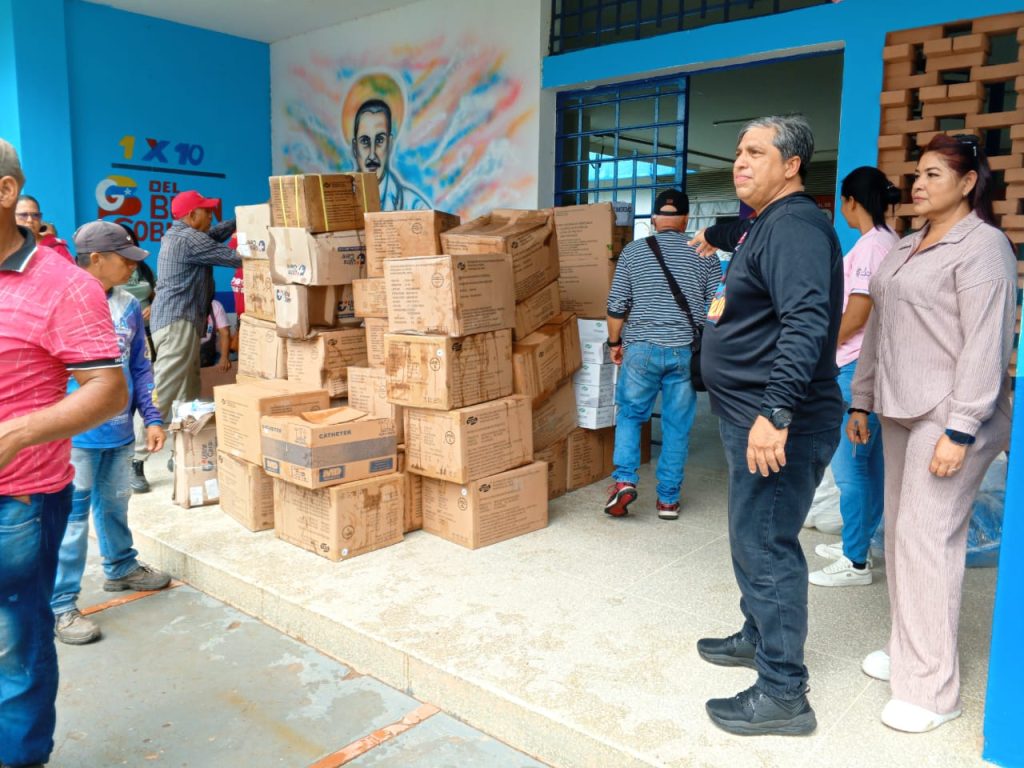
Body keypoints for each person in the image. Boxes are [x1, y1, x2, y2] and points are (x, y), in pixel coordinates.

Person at [848, 134, 1015, 733]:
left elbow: (986, 342)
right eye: (916, 174)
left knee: (927, 540)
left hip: (949, 412)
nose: (918, 184)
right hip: (899, 405)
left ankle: (933, 691)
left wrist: (961, 428)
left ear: (969, 183)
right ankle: (910, 648)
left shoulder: (984, 246)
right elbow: (879, 327)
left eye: (934, 174)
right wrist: (862, 399)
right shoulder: (906, 245)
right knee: (901, 536)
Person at [693, 115, 843, 736]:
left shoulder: (795, 226)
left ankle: (784, 692)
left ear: (791, 165)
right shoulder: (766, 223)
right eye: (738, 151)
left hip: (779, 421)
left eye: (756, 151)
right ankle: (758, 634)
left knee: (765, 545)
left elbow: (806, 322)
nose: (740, 161)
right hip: (750, 415)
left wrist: (775, 412)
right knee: (750, 536)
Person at [0, 139, 127, 768]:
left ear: (6, 191)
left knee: (14, 647)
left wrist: (17, 434)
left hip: (17, 500)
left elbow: (109, 388)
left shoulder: (65, 286)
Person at [51, 221, 171, 646]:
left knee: (115, 505)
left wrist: (151, 417)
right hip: (75, 438)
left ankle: (121, 567)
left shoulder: (128, 305)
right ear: (97, 259)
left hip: (119, 433)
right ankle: (61, 604)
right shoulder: (61, 303)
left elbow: (140, 365)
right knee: (70, 521)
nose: (132, 268)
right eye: (125, 259)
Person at [604, 189, 721, 519]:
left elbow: (616, 305)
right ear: (685, 221)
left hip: (640, 349)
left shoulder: (633, 252)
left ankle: (624, 481)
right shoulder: (706, 255)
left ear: (654, 219)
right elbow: (716, 309)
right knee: (677, 426)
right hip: (683, 352)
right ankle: (668, 500)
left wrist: (614, 343)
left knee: (630, 415)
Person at [808, 167, 899, 587]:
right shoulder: (890, 242)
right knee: (869, 466)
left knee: (852, 470)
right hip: (872, 367)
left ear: (851, 202)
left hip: (855, 370)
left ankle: (855, 561)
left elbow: (858, 315)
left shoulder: (871, 247)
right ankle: (858, 541)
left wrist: (822, 351)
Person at [149, 190, 240, 424]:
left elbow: (214, 234)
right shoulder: (189, 239)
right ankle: (144, 442)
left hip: (178, 322)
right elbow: (237, 258)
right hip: (177, 323)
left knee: (188, 389)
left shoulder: (182, 235)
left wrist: (241, 219)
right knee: (167, 386)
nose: (211, 217)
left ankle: (183, 441)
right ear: (192, 215)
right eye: (207, 212)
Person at [349, 97, 430, 211]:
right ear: (355, 148)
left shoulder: (415, 208)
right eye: (365, 141)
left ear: (390, 144)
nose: (372, 155)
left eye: (379, 140)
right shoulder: (340, 205)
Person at [15, 194, 74, 263]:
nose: (30, 220)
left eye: (35, 215)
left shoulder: (55, 248)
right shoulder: (6, 248)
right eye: (23, 215)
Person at [199, 297, 232, 371]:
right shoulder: (184, 305)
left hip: (207, 353)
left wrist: (224, 357)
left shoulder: (215, 306)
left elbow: (225, 333)